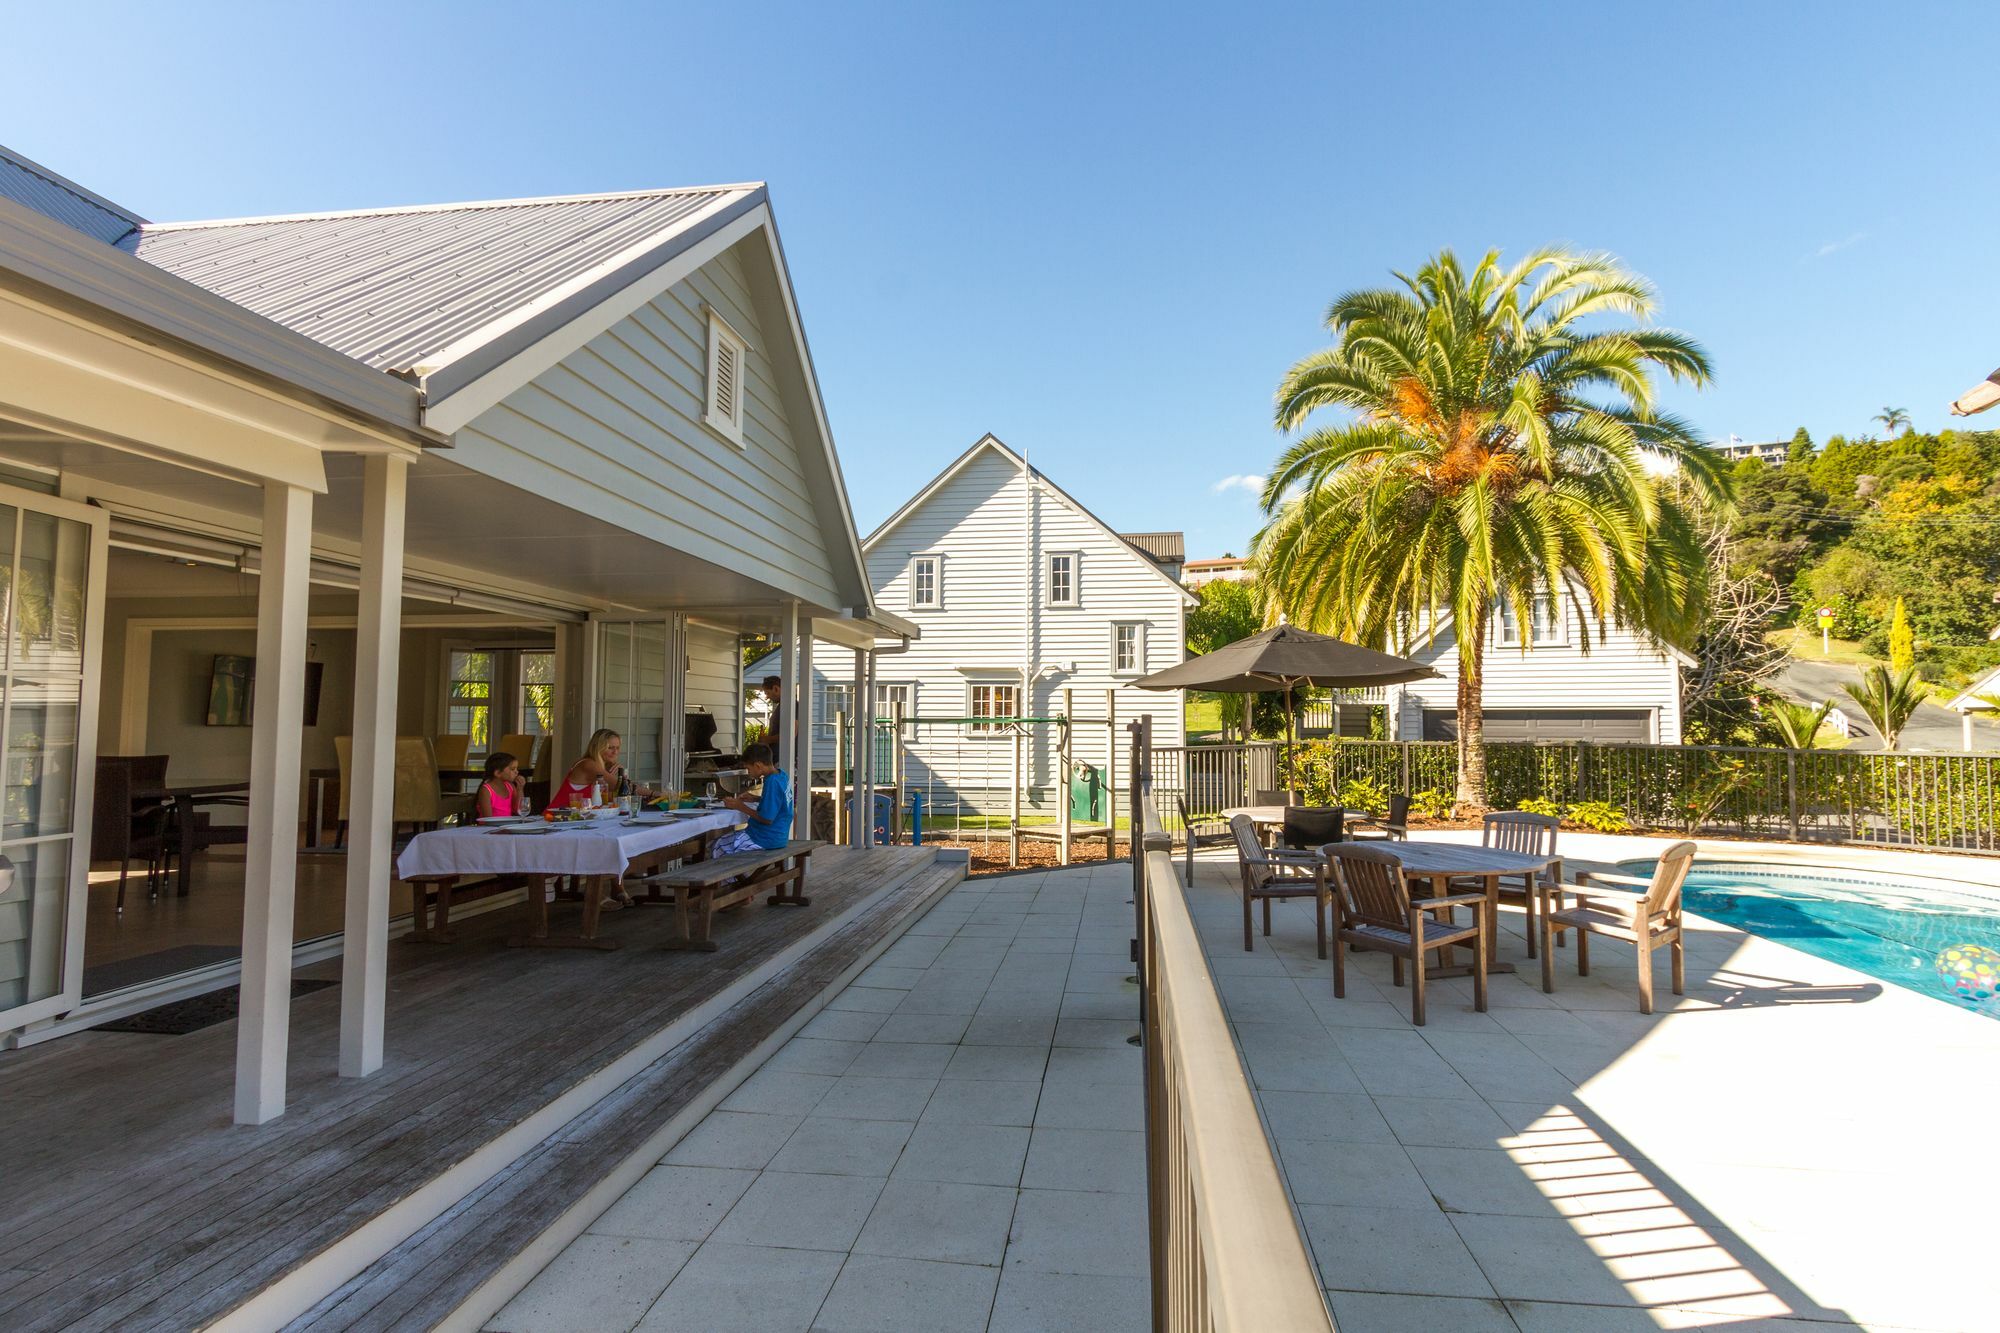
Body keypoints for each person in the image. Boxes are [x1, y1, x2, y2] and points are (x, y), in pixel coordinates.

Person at [713, 742, 792, 856]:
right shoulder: (781, 775)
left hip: (764, 838)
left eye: (748, 768)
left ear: (758, 766)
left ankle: (733, 874)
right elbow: (780, 801)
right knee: (725, 841)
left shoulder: (771, 782)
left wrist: (739, 806)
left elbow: (766, 819)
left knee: (718, 845)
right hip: (779, 836)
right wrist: (756, 798)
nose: (748, 772)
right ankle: (740, 874)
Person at [549, 728, 623, 811]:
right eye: (610, 748)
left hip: (575, 819)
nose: (615, 752)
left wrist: (620, 776)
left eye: (617, 748)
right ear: (598, 748)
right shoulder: (587, 764)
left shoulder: (602, 767)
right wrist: (623, 779)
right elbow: (621, 787)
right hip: (555, 818)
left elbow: (610, 798)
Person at [475, 751, 527, 819]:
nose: (516, 772)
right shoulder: (486, 790)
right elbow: (487, 819)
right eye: (512, 769)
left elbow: (518, 810)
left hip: (506, 827)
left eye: (516, 769)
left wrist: (520, 789)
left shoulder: (510, 787)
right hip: (489, 828)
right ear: (498, 773)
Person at [762, 675, 785, 757]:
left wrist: (768, 739)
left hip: (783, 758)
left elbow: (791, 733)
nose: (767, 697)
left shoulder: (789, 706)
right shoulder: (781, 706)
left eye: (767, 693)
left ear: (776, 688)